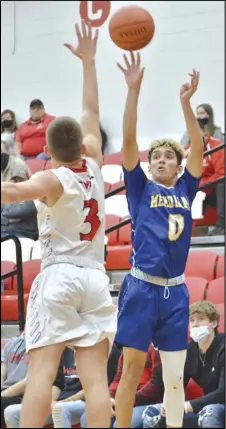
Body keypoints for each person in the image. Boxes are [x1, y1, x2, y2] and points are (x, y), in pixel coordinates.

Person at [1, 20, 117, 429]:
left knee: (42, 373)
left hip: (60, 277)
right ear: (84, 145)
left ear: (47, 150)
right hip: (96, 279)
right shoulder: (97, 165)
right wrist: (89, 61)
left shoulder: (51, 178)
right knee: (97, 381)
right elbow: (92, 111)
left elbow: (12, 194)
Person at [114, 52, 203, 429]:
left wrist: (186, 104)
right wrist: (133, 90)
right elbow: (130, 138)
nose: (162, 160)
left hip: (176, 292)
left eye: (169, 156)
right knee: (131, 370)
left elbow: (198, 148)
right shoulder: (140, 188)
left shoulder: (186, 186)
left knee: (174, 379)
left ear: (179, 166)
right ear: (149, 165)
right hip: (141, 288)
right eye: (157, 157)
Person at [142, 301, 225, 429]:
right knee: (152, 413)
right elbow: (177, 385)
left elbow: (223, 392)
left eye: (201, 319)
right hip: (205, 405)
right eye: (191, 320)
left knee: (210, 412)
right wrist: (168, 405)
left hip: (219, 404)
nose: (195, 324)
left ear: (213, 323)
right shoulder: (189, 350)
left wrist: (185, 406)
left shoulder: (223, 346)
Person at [1, 167, 38, 240]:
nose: (18, 183)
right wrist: (7, 220)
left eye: (21, 180)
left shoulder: (34, 195)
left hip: (22, 234)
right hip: (3, 231)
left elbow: (14, 212)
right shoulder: (10, 193)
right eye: (15, 180)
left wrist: (4, 217)